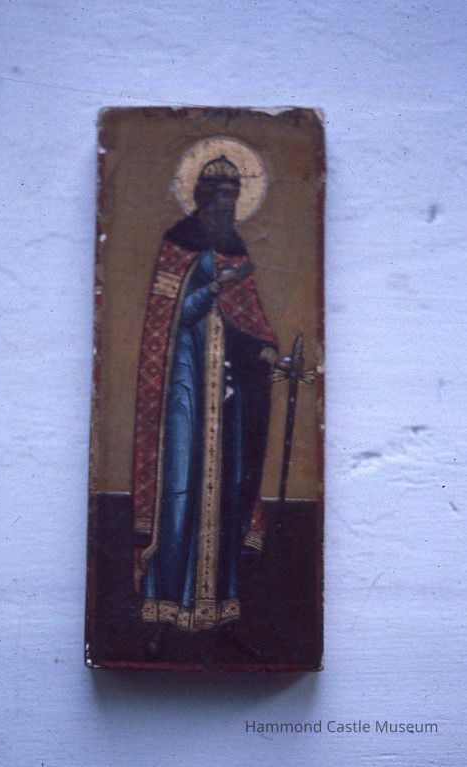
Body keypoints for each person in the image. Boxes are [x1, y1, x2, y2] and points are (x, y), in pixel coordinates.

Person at [132, 155, 284, 651]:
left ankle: (220, 614)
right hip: (185, 394)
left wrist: (265, 351)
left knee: (226, 496)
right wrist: (214, 289)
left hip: (228, 401)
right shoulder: (179, 242)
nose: (226, 206)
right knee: (180, 496)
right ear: (200, 196)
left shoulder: (236, 248)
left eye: (233, 197)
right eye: (219, 196)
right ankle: (164, 613)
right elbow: (174, 318)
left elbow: (245, 323)